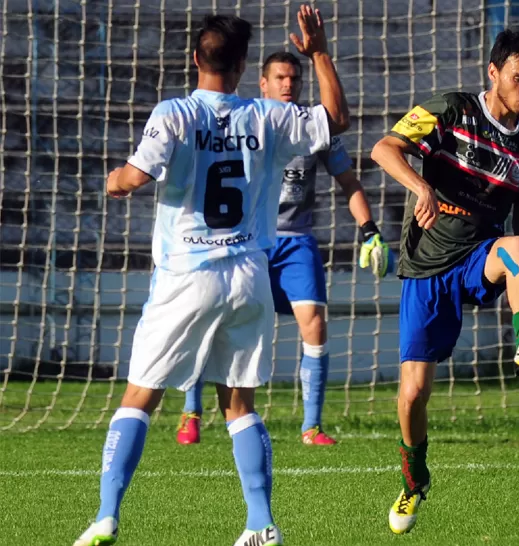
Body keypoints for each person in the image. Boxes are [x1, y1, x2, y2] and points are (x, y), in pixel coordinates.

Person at [73, 6, 349, 546]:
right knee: (239, 404)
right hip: (248, 276)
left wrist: (113, 181)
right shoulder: (267, 116)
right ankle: (260, 523)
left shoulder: (174, 113)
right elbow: (335, 120)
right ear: (245, 65)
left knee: (140, 397)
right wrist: (316, 50)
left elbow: (134, 177)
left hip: (186, 275)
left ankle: (107, 513)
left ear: (195, 58)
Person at [370, 29, 519, 535]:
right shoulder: (449, 110)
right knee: (412, 395)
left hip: (480, 255)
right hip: (427, 265)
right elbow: (383, 150)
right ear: (493, 73)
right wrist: (421, 185)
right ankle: (413, 479)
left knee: (514, 248)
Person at [175, 51, 390, 448]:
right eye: (280, 77)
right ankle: (192, 411)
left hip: (295, 242)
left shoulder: (313, 128)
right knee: (209, 320)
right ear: (262, 83)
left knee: (315, 323)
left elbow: (349, 183)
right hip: (245, 241)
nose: (288, 84)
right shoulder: (244, 120)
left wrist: (370, 231)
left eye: (294, 78)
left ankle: (311, 426)